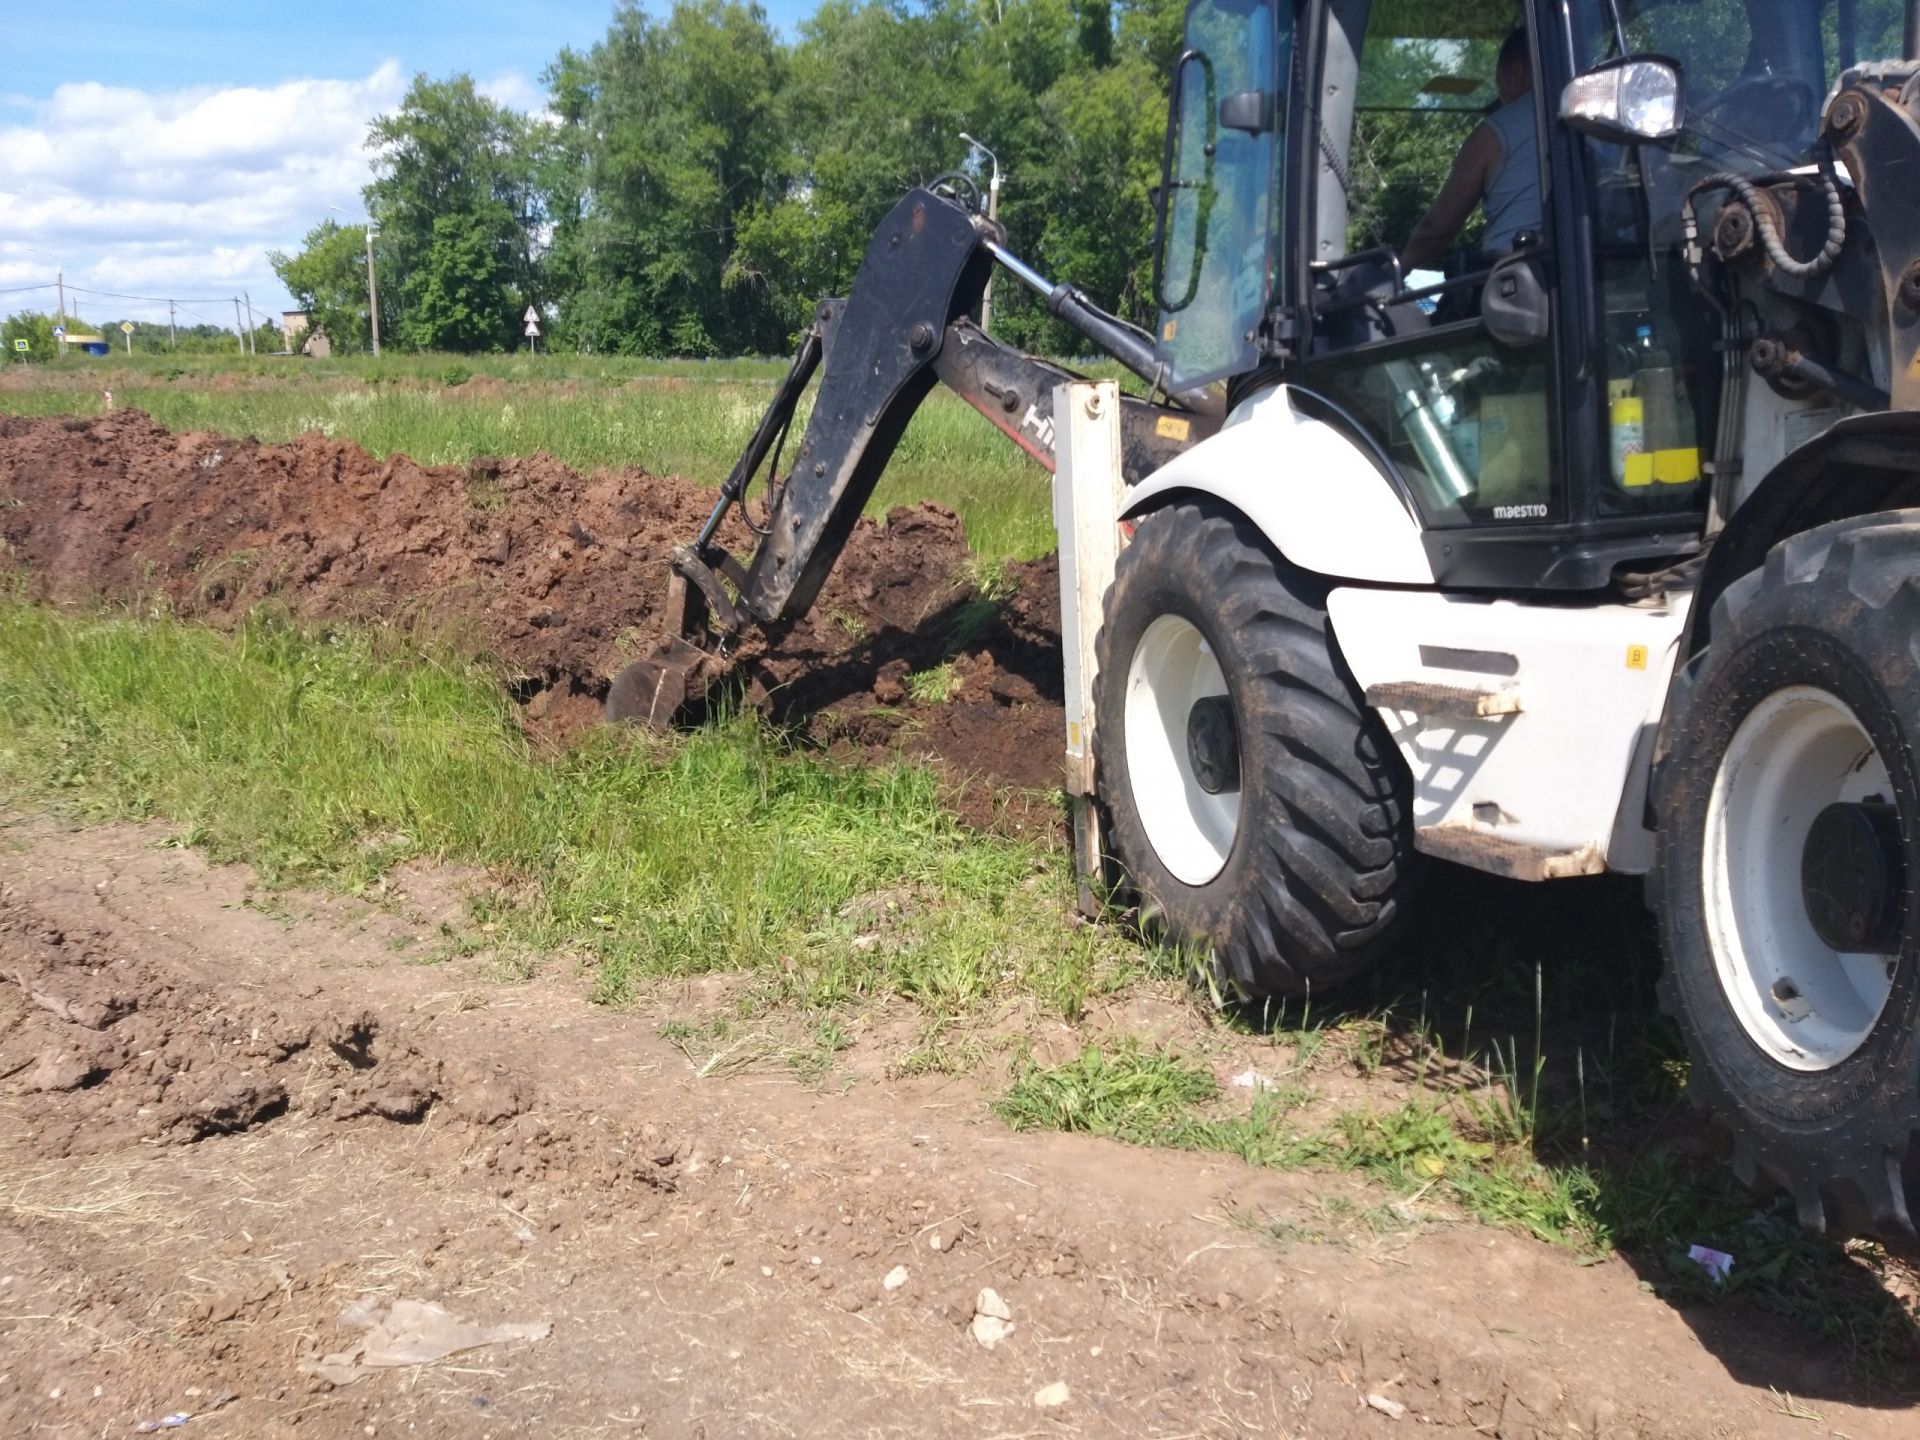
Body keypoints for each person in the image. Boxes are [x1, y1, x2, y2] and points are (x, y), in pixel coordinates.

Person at [1401, 27, 1541, 271]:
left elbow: (1436, 231)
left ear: (1516, 73)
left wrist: (1397, 270)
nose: (1501, 97)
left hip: (1516, 284)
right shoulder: (1593, 121)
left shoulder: (1496, 130)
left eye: (1500, 84)